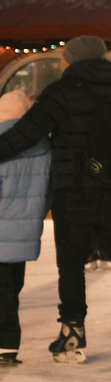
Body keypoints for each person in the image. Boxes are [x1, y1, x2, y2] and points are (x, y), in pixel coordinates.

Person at [0, 35, 111, 362]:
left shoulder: (60, 93)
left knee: (71, 262)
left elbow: (25, 135)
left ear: (70, 61)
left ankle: (73, 331)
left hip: (73, 190)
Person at [0, 90, 51, 366]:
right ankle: (7, 343)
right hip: (24, 230)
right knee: (11, 287)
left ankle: (5, 343)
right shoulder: (42, 146)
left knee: (3, 291)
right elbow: (47, 193)